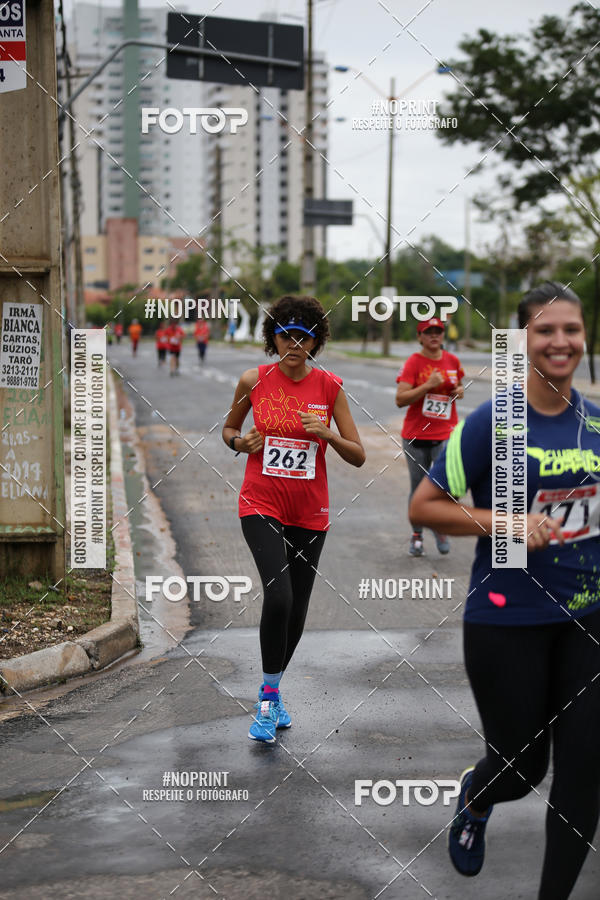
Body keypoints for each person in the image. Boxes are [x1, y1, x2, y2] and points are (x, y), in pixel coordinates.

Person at [410, 282, 600, 899]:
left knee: (583, 778)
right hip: (506, 618)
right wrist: (509, 522)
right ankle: (477, 794)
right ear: (523, 341)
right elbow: (425, 507)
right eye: (545, 331)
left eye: (571, 329)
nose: (561, 341)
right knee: (522, 768)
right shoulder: (492, 423)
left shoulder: (596, 424)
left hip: (588, 620)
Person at [222, 295, 365, 744]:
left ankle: (274, 688)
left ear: (316, 341)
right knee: (279, 595)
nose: (294, 344)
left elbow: (359, 455)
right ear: (273, 337)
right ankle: (266, 700)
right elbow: (229, 430)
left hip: (310, 509)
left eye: (304, 337)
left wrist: (328, 434)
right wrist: (238, 444)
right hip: (261, 502)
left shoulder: (330, 387)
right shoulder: (254, 380)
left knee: (299, 608)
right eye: (286, 335)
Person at [395, 316, 464, 556]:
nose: (434, 335)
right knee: (418, 487)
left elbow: (457, 386)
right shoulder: (414, 363)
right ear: (420, 337)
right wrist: (427, 385)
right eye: (428, 332)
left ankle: (439, 526)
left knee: (443, 485)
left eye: (438, 331)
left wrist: (458, 391)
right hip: (415, 435)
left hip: (445, 432)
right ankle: (417, 534)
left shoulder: (452, 360)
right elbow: (400, 399)